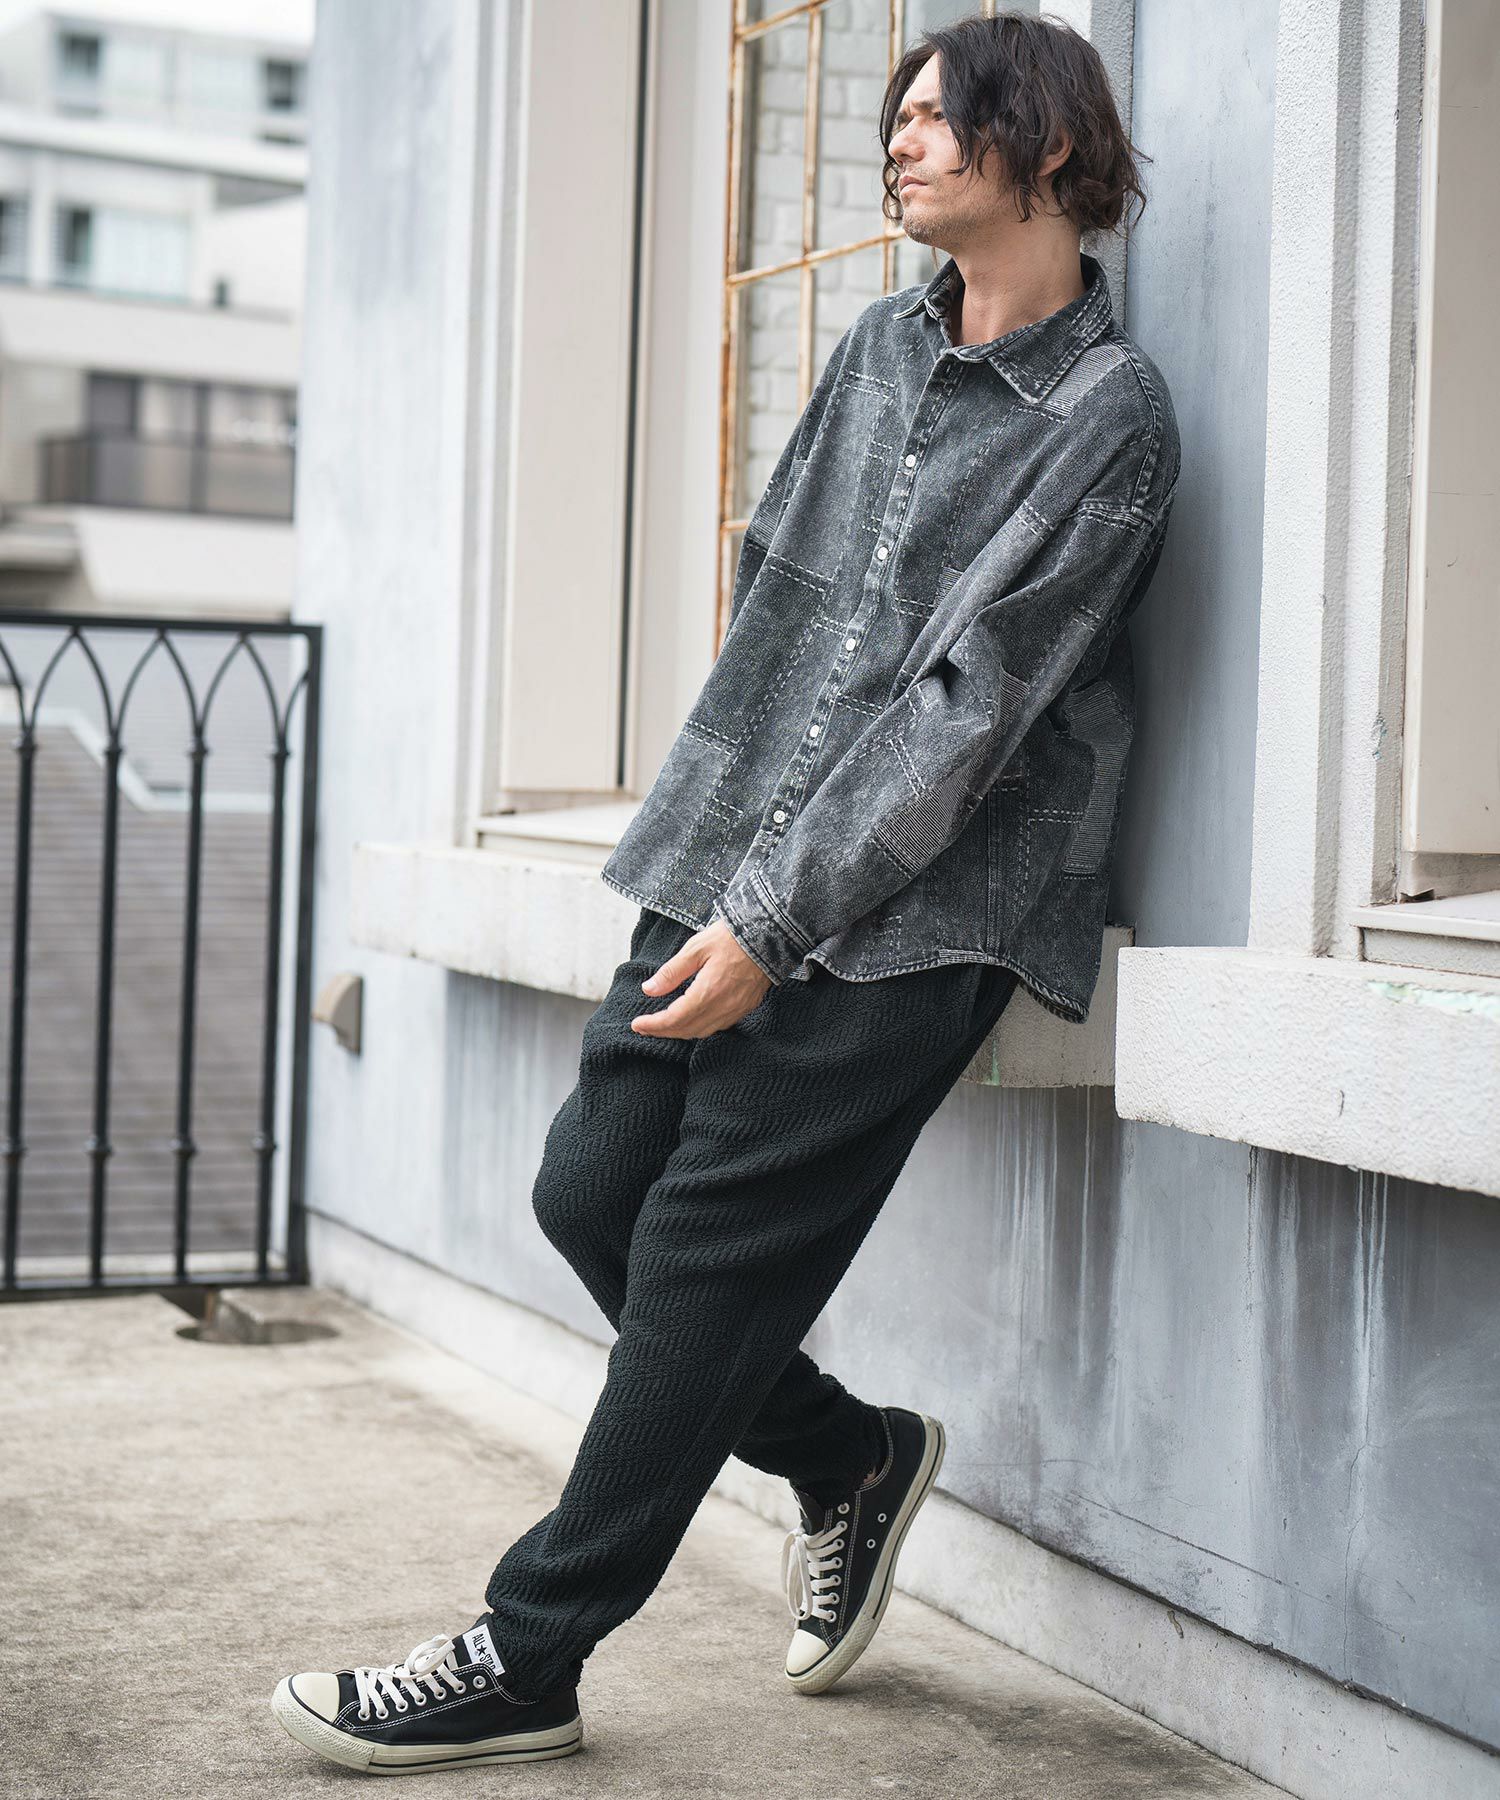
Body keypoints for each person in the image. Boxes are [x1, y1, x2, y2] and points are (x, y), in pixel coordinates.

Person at [271, 10, 1181, 1776]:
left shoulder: (1109, 415)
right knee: (589, 1190)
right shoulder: (875, 348)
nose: (899, 139)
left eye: (940, 117)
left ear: (1051, 146)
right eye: (899, 114)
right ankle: (847, 1456)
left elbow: (972, 706)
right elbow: (782, 595)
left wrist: (779, 922)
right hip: (730, 848)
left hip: (919, 912)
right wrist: (723, 867)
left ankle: (530, 1654)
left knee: (698, 1256)